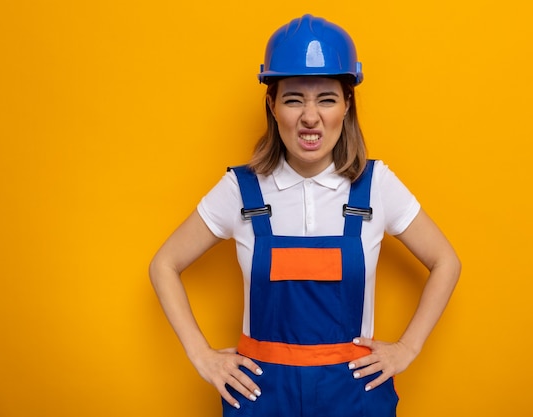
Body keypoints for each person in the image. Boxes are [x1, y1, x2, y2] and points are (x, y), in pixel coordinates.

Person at [149, 14, 461, 417]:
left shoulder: (376, 185)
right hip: (261, 397)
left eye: (326, 98)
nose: (310, 117)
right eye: (294, 98)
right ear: (272, 105)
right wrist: (202, 355)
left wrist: (407, 347)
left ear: (347, 105)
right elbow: (164, 264)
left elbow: (446, 261)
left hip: (354, 396)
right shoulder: (240, 190)